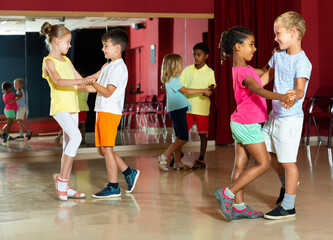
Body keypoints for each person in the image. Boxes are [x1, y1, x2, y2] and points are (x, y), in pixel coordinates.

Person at [214, 26, 296, 220]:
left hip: (241, 122)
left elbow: (267, 72)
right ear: (237, 47)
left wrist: (276, 57)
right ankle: (227, 194)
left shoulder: (245, 69)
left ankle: (239, 207)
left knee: (240, 166)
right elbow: (258, 90)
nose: (255, 48)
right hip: (247, 125)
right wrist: (281, 96)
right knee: (263, 163)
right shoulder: (244, 73)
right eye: (251, 44)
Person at [261, 11, 312, 220]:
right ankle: (286, 184)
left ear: (293, 32)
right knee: (263, 152)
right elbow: (264, 78)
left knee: (289, 162)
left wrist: (294, 95)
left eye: (278, 33)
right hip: (275, 115)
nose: (275, 38)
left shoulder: (303, 61)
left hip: (290, 119)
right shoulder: (277, 56)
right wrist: (246, 79)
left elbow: (300, 89)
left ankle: (289, 206)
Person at [79, 28, 140, 198]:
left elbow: (106, 92)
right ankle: (129, 172)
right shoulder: (108, 65)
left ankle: (114, 186)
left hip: (110, 112)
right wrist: (75, 86)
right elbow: (94, 84)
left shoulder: (119, 68)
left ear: (117, 48)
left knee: (107, 148)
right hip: (101, 110)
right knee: (102, 150)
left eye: (105, 46)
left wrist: (93, 82)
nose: (102, 49)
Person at [41, 22, 91, 200]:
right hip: (60, 107)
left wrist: (101, 89)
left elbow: (81, 82)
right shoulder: (48, 61)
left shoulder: (67, 61)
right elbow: (60, 82)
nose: (70, 45)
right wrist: (82, 82)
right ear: (56, 41)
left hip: (73, 107)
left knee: (67, 148)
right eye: (68, 42)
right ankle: (61, 181)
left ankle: (66, 187)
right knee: (77, 138)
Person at [156, 54, 212, 172]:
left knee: (178, 138)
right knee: (184, 138)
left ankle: (177, 163)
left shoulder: (173, 79)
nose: (182, 66)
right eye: (180, 64)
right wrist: (203, 90)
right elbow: (186, 91)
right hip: (178, 111)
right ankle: (163, 156)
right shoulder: (173, 80)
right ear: (173, 67)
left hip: (177, 111)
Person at [179, 43, 216, 169]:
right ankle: (178, 154)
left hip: (202, 109)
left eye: (199, 55)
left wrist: (210, 90)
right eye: (194, 55)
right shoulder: (187, 70)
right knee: (182, 134)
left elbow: (212, 86)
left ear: (206, 56)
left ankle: (201, 159)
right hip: (187, 108)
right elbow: (180, 86)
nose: (196, 57)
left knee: (202, 135)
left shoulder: (210, 72)